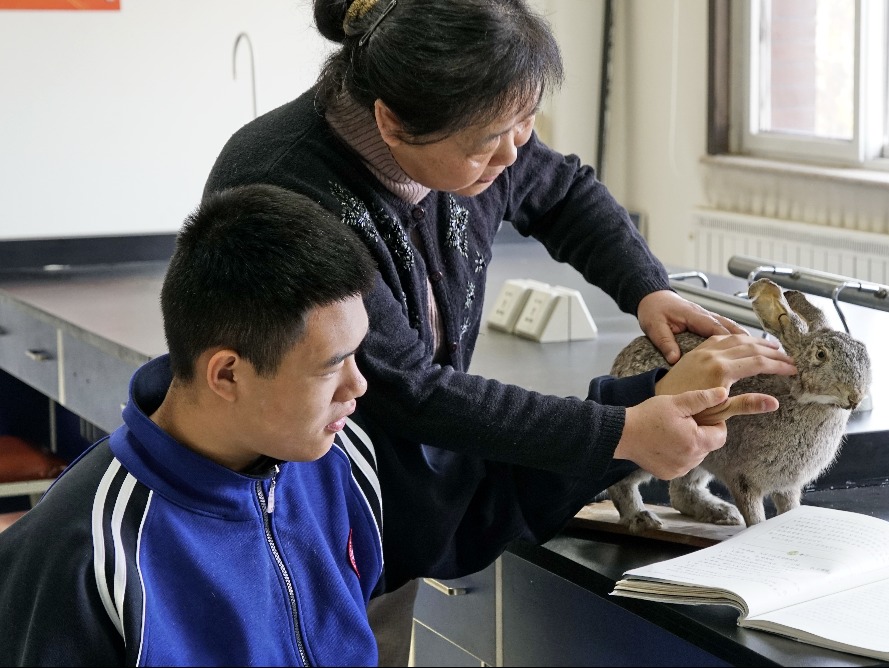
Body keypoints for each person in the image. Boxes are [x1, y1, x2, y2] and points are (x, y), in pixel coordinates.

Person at [204, 0, 796, 662]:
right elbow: (408, 392)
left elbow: (563, 192)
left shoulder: (469, 128)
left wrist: (647, 286)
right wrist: (623, 429)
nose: (514, 151)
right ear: (392, 124)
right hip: (294, 522)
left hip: (379, 509)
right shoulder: (291, 190)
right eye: (491, 140)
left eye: (527, 121)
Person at [0, 184, 764, 667]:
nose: (360, 387)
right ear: (227, 372)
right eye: (331, 365)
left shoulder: (335, 462)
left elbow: (479, 499)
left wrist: (643, 407)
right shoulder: (85, 554)